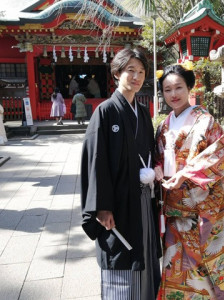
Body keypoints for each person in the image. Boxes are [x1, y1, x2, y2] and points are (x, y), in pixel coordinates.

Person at [154, 64, 224, 299]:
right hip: (174, 212)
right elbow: (157, 157)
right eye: (167, 90)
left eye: (179, 87)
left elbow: (219, 156)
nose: (173, 94)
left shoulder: (206, 122)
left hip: (200, 209)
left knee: (205, 264)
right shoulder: (163, 125)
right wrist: (158, 169)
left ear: (190, 87)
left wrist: (185, 175)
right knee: (176, 264)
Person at [80, 48, 161, 300]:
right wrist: (101, 207)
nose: (136, 77)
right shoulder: (104, 112)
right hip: (116, 202)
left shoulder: (144, 113)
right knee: (122, 255)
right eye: (130, 71)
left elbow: (151, 150)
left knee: (144, 252)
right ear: (117, 73)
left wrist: (156, 169)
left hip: (142, 199)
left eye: (141, 72)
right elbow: (95, 162)